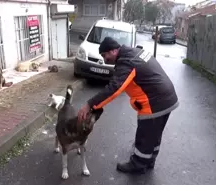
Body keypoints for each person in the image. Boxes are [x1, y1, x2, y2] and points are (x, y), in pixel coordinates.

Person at [77, 37, 179, 174]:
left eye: (104, 55)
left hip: (154, 102)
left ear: (113, 51)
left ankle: (138, 164)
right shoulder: (133, 53)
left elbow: (114, 89)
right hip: (166, 98)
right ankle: (149, 161)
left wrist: (90, 105)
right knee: (154, 135)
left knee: (145, 135)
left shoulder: (127, 62)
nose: (104, 59)